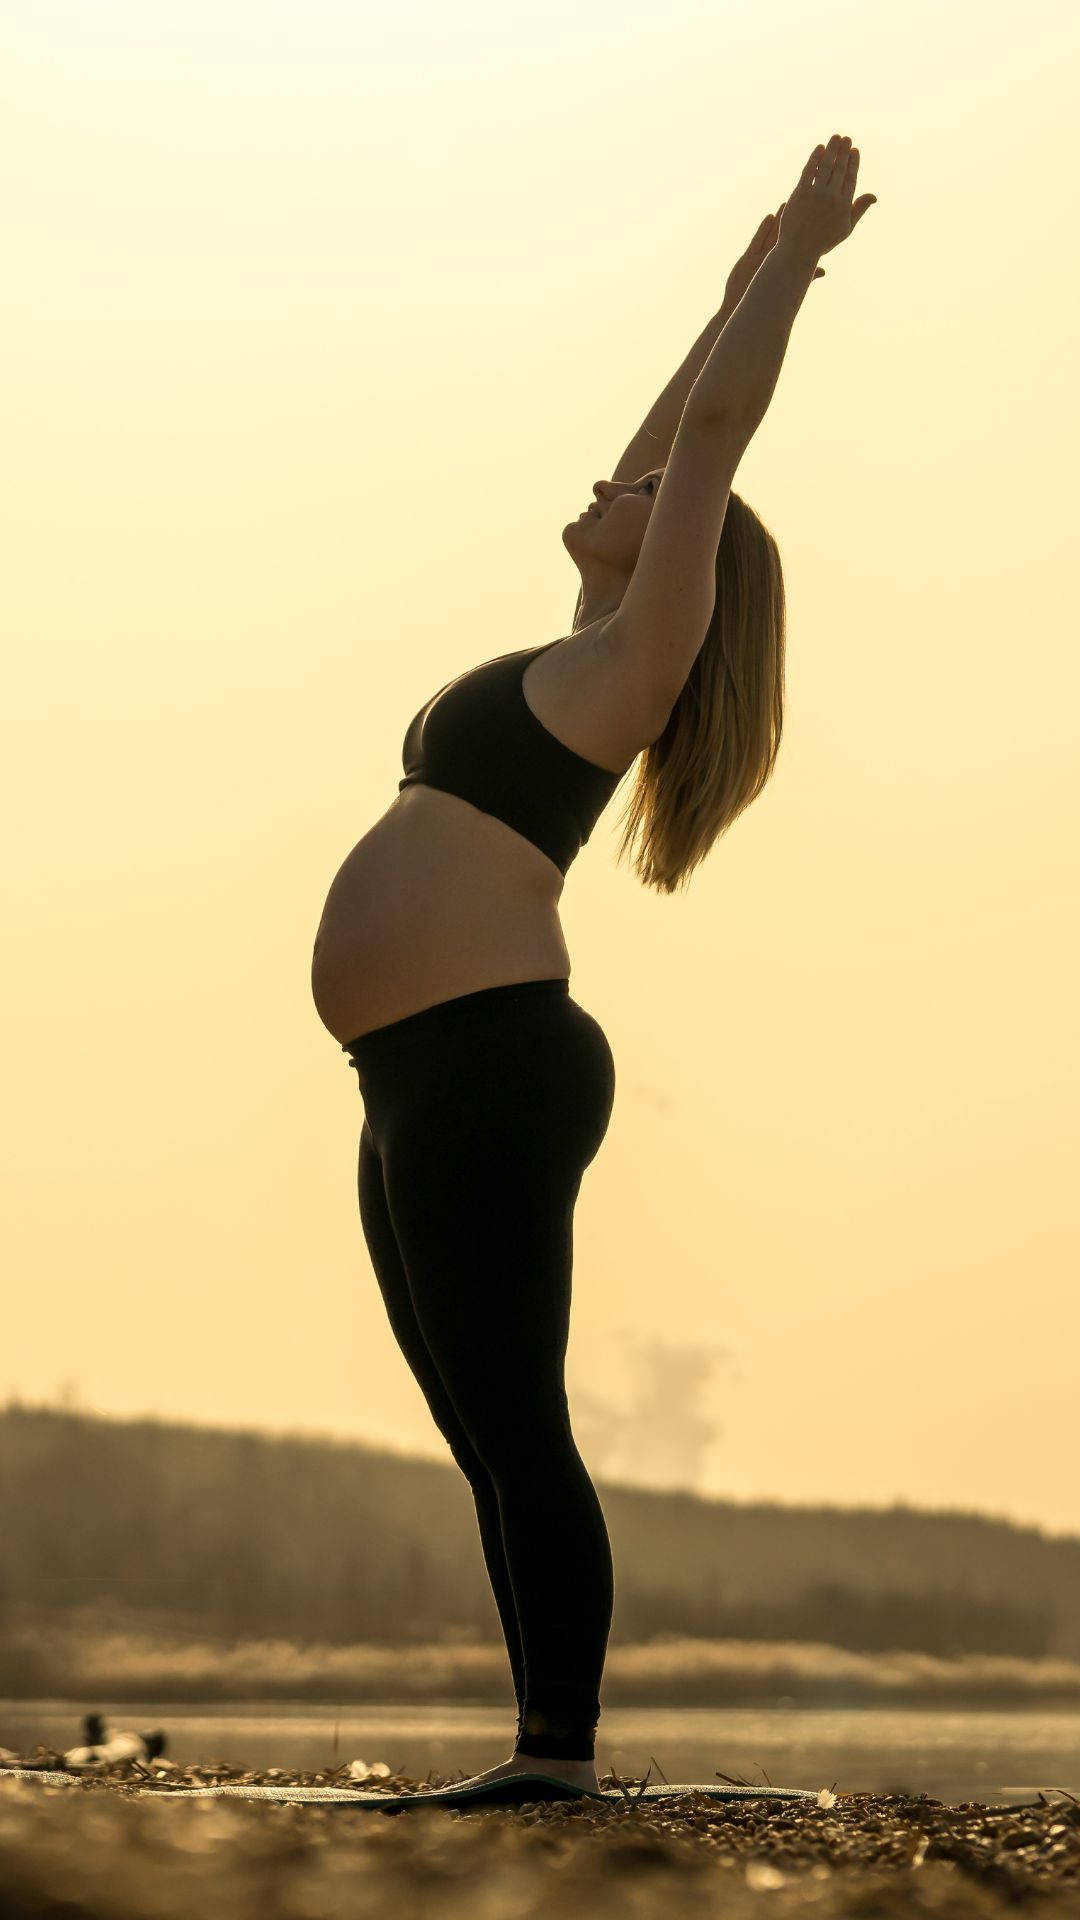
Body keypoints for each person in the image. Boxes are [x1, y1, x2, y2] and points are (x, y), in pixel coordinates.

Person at [317, 134, 876, 1803]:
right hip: (409, 1070)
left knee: (521, 1416)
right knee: (481, 1421)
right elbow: (663, 435)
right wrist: (724, 287)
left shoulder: (638, 658)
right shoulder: (573, 641)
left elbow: (707, 444)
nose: (613, 485)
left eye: (642, 503)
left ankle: (556, 1761)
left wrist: (791, 277)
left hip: (493, 1061)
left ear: (683, 558)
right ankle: (531, 1753)